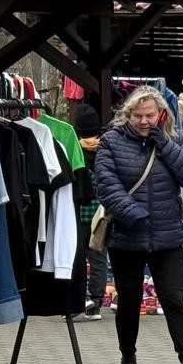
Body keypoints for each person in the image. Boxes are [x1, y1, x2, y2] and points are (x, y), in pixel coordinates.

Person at [94, 85, 183, 364]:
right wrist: (132, 213)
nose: (145, 121)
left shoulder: (173, 137)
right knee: (129, 303)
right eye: (139, 115)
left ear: (161, 114)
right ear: (127, 114)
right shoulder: (112, 142)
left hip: (168, 235)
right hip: (128, 236)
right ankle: (128, 361)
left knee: (174, 300)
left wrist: (164, 142)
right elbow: (106, 184)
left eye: (151, 115)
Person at [73, 100, 109, 320]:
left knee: (75, 260)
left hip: (77, 213)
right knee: (98, 259)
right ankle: (95, 304)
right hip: (101, 215)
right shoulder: (106, 148)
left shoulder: (72, 148)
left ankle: (75, 301)